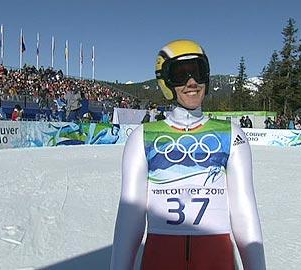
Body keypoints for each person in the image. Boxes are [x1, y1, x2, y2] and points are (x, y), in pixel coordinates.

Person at [111, 39, 265, 270]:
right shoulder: (143, 137)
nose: (191, 82)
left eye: (198, 71)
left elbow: (245, 212)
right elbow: (129, 218)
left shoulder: (231, 134)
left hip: (217, 261)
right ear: (165, 82)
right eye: (180, 74)